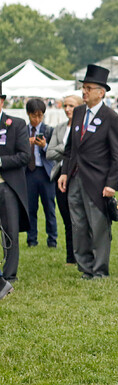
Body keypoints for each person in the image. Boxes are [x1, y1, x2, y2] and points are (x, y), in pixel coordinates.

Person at [57, 66, 118, 279]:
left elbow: (117, 154)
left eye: (88, 88)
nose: (84, 92)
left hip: (97, 181)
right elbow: (70, 148)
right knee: (78, 225)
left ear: (101, 92)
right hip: (75, 178)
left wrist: (112, 184)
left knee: (98, 227)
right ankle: (85, 267)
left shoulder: (111, 117)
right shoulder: (78, 112)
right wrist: (65, 172)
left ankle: (99, 270)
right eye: (83, 87)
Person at [46, 94, 83, 265]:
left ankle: (84, 254)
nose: (68, 109)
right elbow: (49, 152)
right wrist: (68, 147)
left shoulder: (84, 127)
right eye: (65, 106)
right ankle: (71, 257)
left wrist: (66, 149)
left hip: (79, 174)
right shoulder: (59, 128)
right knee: (67, 218)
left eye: (71, 106)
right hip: (60, 173)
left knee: (80, 218)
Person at [0, 81, 31, 284]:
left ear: (1, 101)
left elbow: (24, 156)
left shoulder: (16, 124)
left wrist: (1, 161)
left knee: (10, 230)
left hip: (6, 185)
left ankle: (10, 274)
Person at [24, 98, 57, 248]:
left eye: (40, 116)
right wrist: (27, 143)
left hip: (45, 173)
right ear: (28, 114)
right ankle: (32, 239)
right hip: (29, 173)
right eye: (34, 116)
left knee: (49, 208)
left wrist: (44, 146)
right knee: (31, 208)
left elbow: (55, 153)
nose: (37, 119)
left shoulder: (49, 130)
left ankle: (52, 240)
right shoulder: (22, 131)